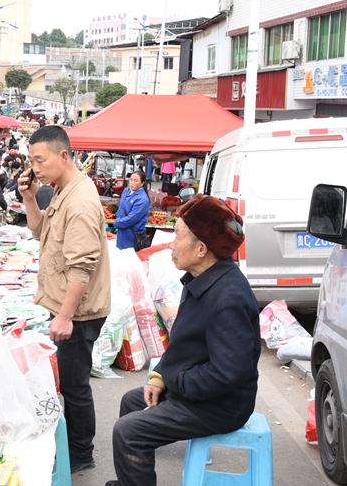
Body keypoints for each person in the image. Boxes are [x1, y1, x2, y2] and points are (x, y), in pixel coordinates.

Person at [105, 195, 258, 486]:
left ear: (201, 249)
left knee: (128, 431)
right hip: (194, 390)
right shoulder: (201, 278)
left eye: (177, 237)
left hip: (220, 405)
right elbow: (185, 344)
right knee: (132, 402)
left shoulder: (228, 298)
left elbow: (229, 372)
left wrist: (178, 384)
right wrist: (160, 377)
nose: (171, 245)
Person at [17, 125, 111, 474]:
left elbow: (81, 267)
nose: (35, 168)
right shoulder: (62, 190)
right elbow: (42, 231)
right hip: (68, 308)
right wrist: (30, 197)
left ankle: (81, 454)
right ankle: (76, 449)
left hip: (80, 313)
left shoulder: (81, 201)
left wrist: (65, 316)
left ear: (64, 156)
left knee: (74, 386)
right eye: (31, 161)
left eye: (40, 161)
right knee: (70, 383)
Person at [113, 171, 150, 250]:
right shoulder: (126, 191)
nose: (132, 183)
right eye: (131, 180)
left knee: (129, 257)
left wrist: (116, 222)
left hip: (131, 233)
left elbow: (132, 219)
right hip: (121, 230)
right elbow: (121, 208)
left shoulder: (142, 199)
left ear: (142, 183)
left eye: (136, 181)